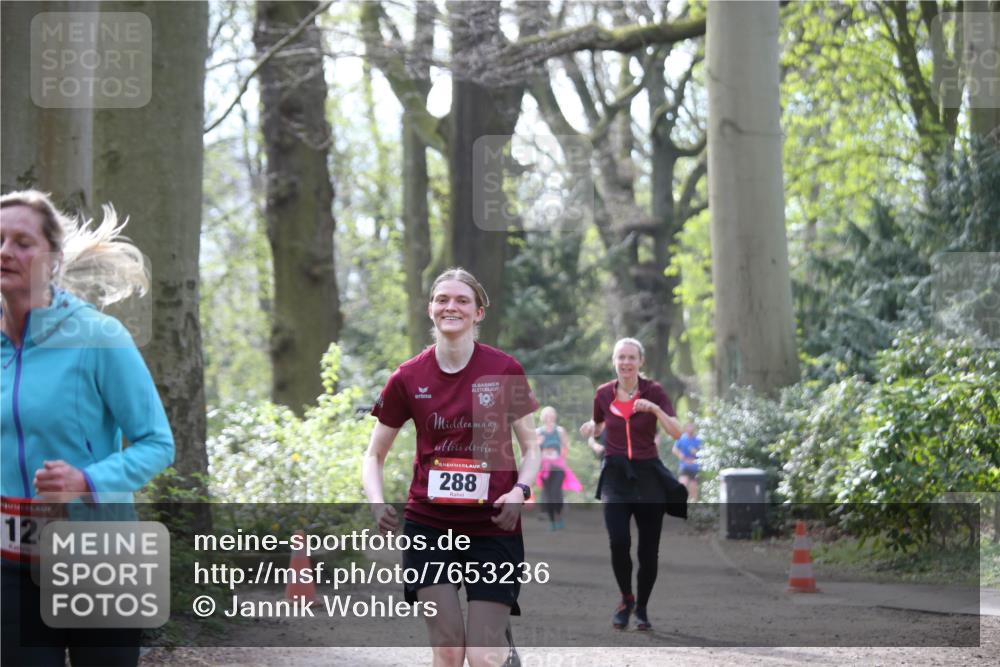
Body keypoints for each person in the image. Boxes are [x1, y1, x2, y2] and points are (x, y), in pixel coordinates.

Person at [1, 190, 174, 666]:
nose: (5, 252)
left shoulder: (99, 337)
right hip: (11, 566)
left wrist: (86, 480)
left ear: (53, 259)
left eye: (22, 242)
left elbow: (157, 443)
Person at [363, 268, 541, 667]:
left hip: (492, 525)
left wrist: (520, 491)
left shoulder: (504, 369)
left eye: (462, 300)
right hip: (429, 525)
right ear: (430, 309)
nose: (451, 307)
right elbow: (374, 455)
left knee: (481, 655)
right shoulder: (407, 377)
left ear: (479, 312)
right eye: (442, 299)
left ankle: (498, 649)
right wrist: (376, 502)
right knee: (447, 648)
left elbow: (532, 447)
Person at [580, 337, 686, 632]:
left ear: (641, 362)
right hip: (615, 475)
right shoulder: (603, 393)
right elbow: (599, 426)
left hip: (648, 475)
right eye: (621, 357)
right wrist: (591, 430)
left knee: (648, 551)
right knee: (618, 542)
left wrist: (655, 410)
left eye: (631, 357)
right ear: (614, 361)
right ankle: (626, 598)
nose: (626, 362)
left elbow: (677, 431)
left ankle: (642, 609)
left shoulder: (655, 391)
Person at [534, 406, 582, 532]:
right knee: (548, 494)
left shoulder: (560, 431)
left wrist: (559, 457)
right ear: (543, 418)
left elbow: (565, 446)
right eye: (546, 415)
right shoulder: (538, 432)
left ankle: (559, 517)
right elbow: (533, 451)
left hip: (558, 466)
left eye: (551, 415)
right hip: (545, 467)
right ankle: (552, 522)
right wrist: (539, 445)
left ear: (554, 416)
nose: (549, 418)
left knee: (556, 492)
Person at [672, 423, 702, 502]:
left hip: (694, 467)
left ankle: (693, 505)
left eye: (691, 426)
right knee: (682, 485)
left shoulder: (698, 440)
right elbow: (674, 449)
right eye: (688, 426)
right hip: (684, 466)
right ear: (685, 428)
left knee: (694, 488)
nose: (690, 428)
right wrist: (680, 455)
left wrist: (696, 453)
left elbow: (703, 452)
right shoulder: (681, 438)